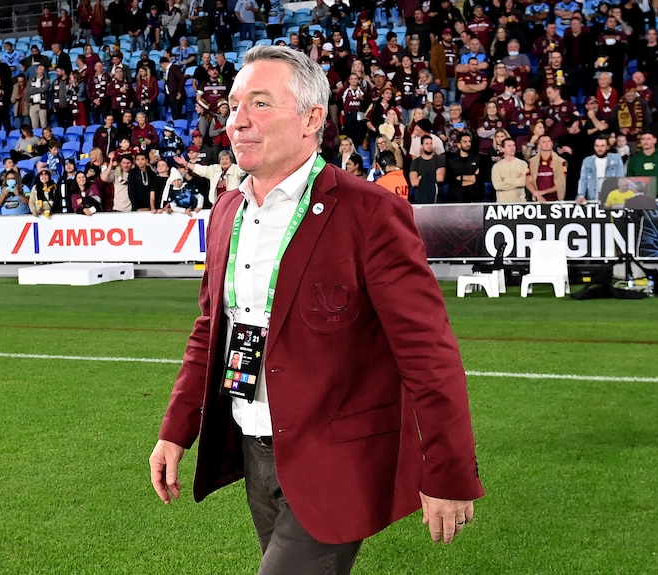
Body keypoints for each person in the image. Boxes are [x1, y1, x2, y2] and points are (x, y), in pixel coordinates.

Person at [150, 47, 482, 575]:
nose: (237, 122)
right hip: (254, 445)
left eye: (260, 104)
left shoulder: (369, 212)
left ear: (312, 119)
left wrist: (450, 470)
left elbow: (428, 354)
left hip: (337, 457)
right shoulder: (226, 213)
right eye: (234, 106)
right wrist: (175, 429)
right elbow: (212, 329)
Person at [576, 135, 625, 203]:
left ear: (607, 147)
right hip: (593, 199)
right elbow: (583, 180)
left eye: (602, 146)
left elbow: (621, 178)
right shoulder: (587, 161)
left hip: (612, 199)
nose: (599, 148)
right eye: (597, 146)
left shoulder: (616, 159)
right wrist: (581, 195)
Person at [526, 135, 567, 202]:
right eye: (544, 142)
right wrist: (537, 194)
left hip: (555, 200)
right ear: (539, 145)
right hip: (537, 200)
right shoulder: (532, 162)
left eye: (548, 141)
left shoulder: (561, 162)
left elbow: (561, 183)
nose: (547, 144)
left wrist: (544, 192)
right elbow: (528, 181)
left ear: (552, 144)